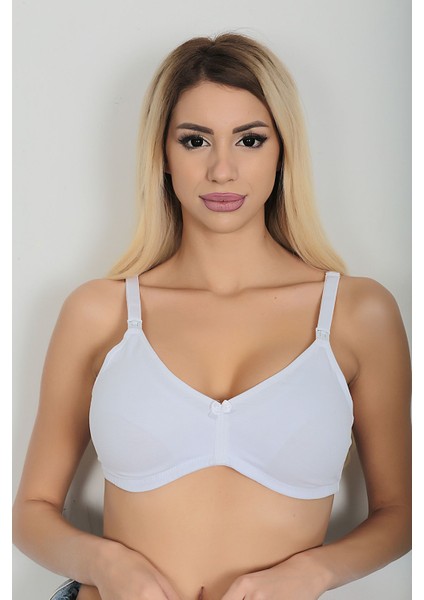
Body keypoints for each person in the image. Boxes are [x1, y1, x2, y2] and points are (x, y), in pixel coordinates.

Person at [12, 32, 411, 600]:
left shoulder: (356, 313)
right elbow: (31, 512)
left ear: (283, 151)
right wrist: (107, 564)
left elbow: (401, 513)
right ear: (163, 155)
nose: (222, 170)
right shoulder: (99, 312)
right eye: (195, 140)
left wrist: (313, 573)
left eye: (250, 140)